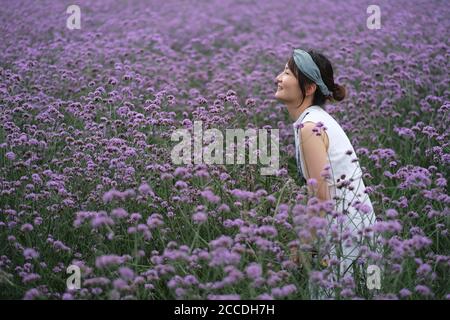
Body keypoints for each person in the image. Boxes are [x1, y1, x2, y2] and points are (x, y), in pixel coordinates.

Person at [275, 48, 379, 299]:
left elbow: (321, 197)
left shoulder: (310, 127)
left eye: (288, 73)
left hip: (345, 239)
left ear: (309, 88)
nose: (279, 77)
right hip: (355, 231)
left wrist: (302, 248)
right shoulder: (316, 119)